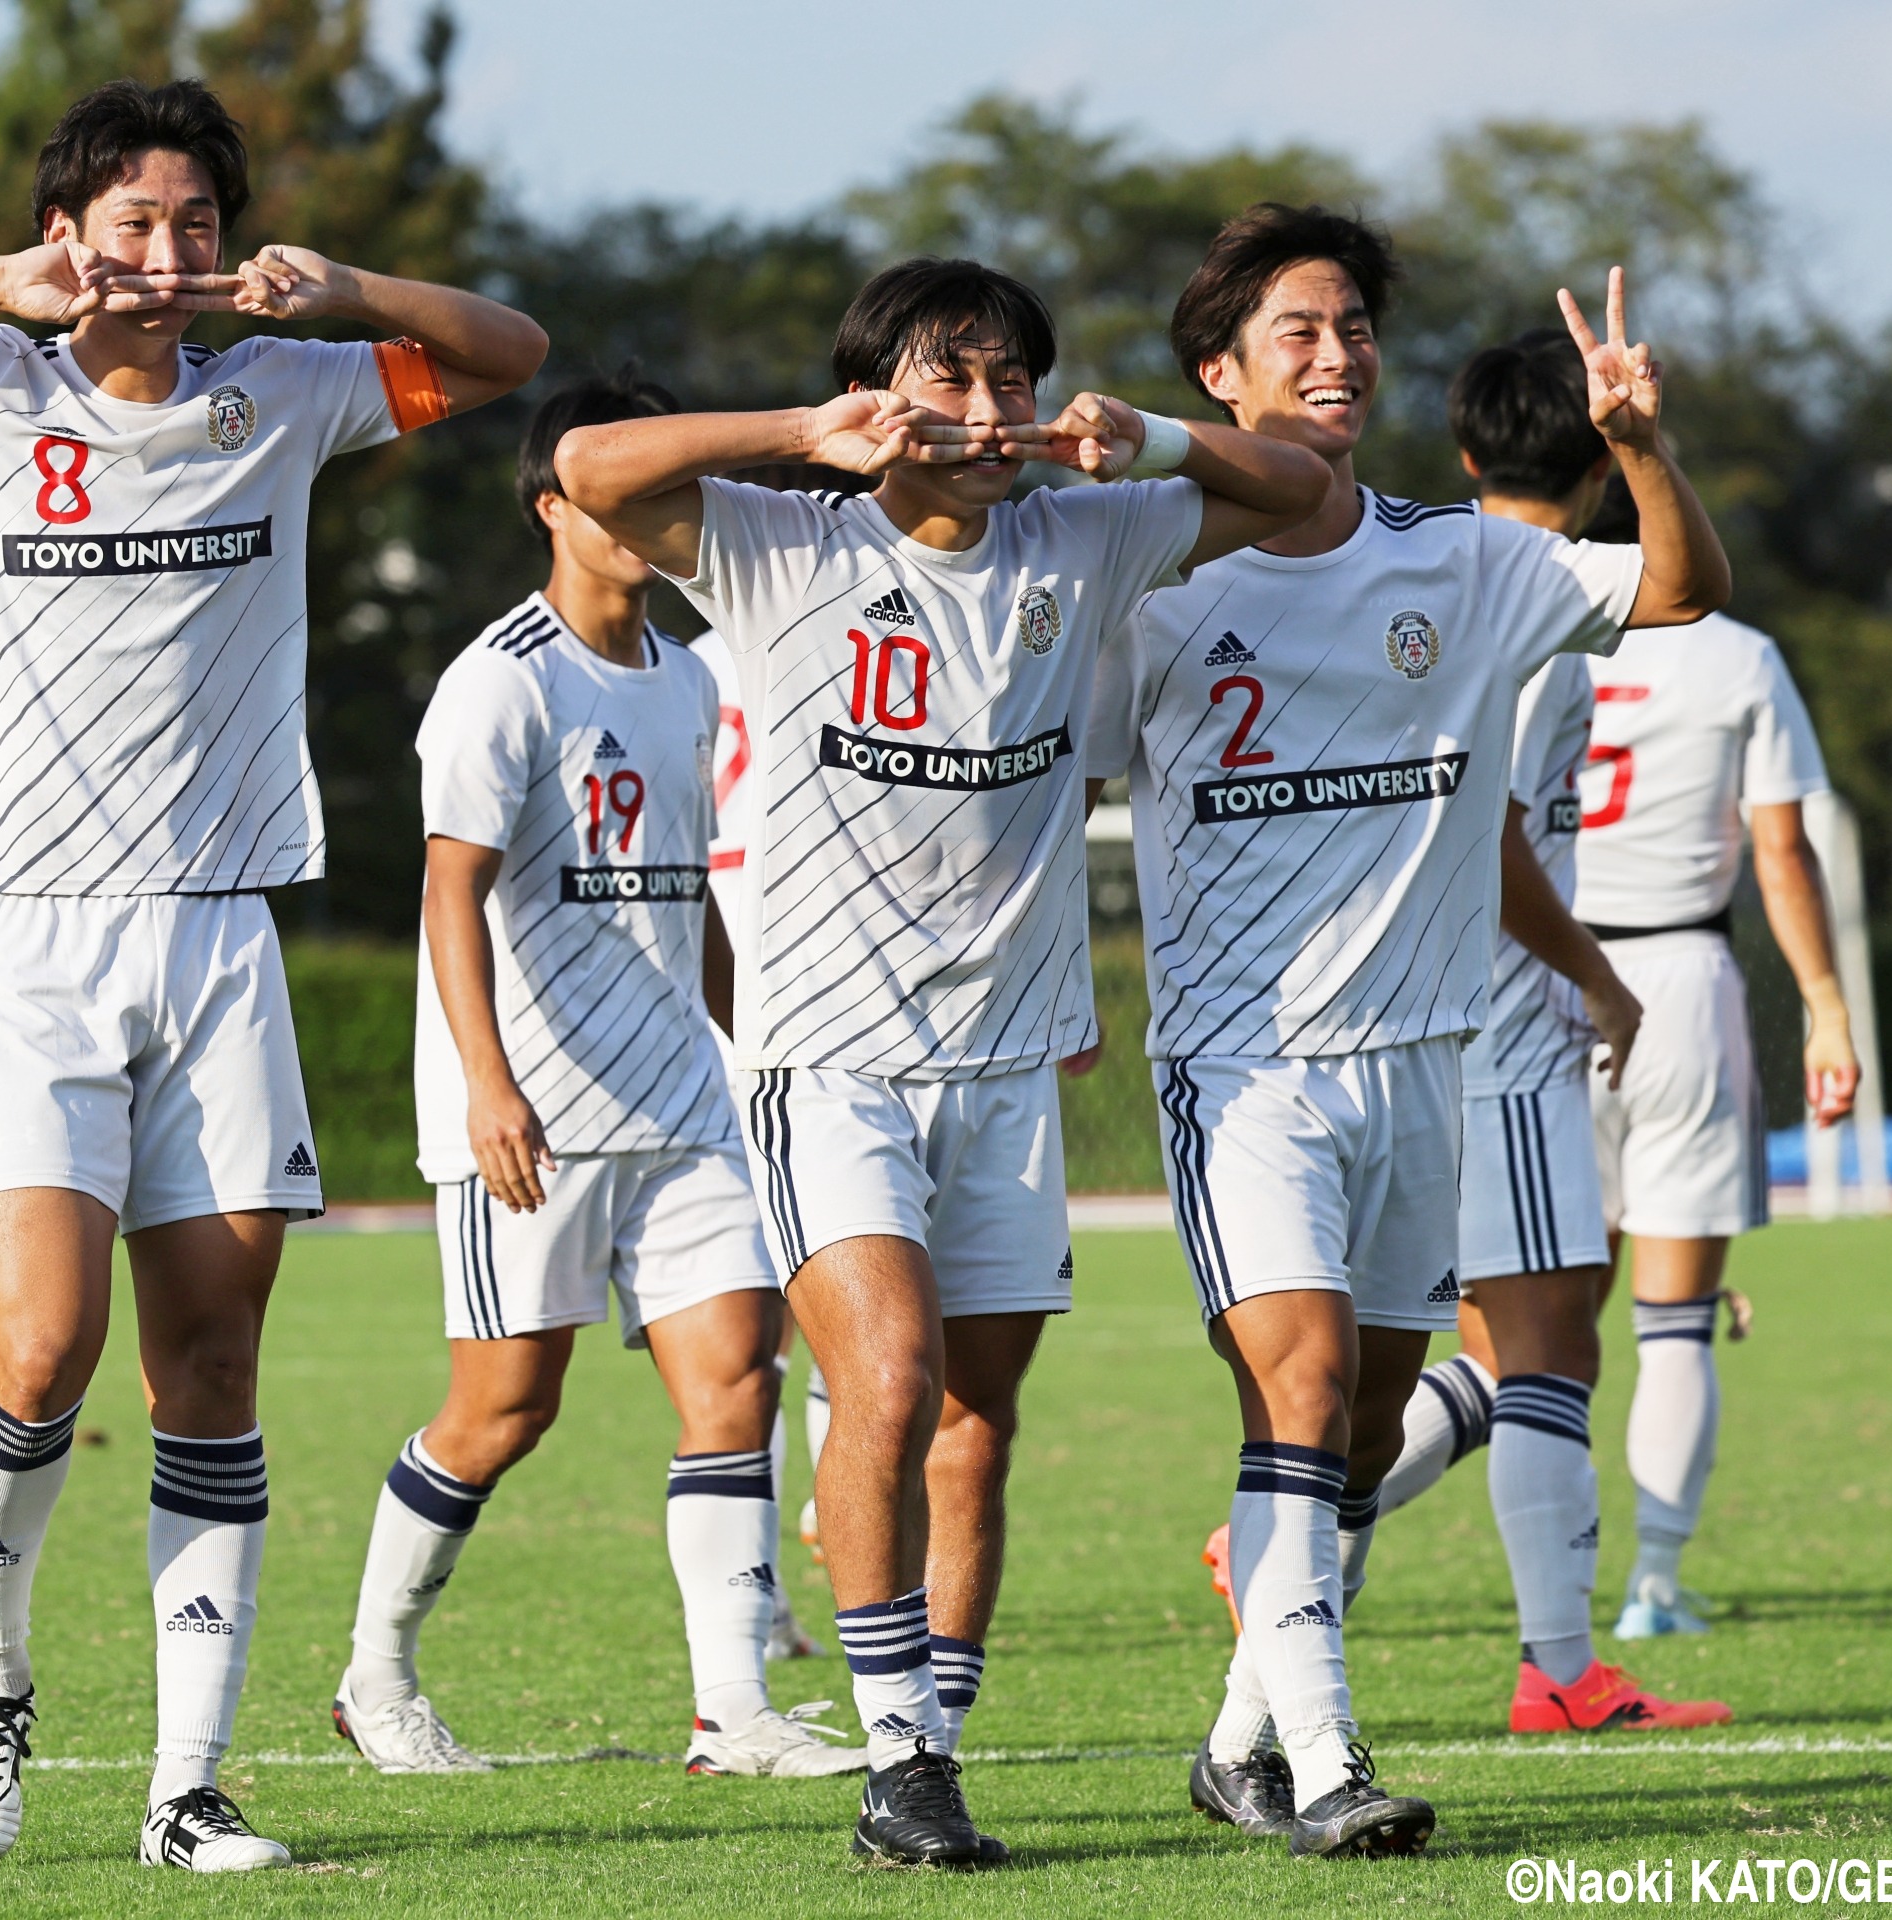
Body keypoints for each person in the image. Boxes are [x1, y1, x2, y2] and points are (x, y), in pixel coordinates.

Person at [0, 77, 544, 1871]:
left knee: (211, 1366)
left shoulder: (291, 391)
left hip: (219, 927)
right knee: (38, 1355)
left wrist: (358, 297)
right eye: (131, 222)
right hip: (26, 934)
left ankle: (189, 1787)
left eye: (193, 222)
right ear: (73, 232)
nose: (163, 253)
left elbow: (507, 350)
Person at [556, 256, 1330, 1867]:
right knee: (887, 1384)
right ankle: (894, 1755)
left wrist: (1163, 442)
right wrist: (799, 431)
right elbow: (587, 470)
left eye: (1011, 383)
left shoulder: (1089, 534)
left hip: (1007, 1068)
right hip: (826, 1060)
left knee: (978, 1421)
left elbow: (1304, 482)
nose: (990, 416)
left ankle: (939, 1747)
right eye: (952, 381)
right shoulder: (781, 544)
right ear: (883, 394)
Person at [1089, 207, 1730, 1855]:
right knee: (1298, 1398)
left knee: (1368, 1427)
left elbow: (1680, 589)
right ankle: (1326, 1761)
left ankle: (1240, 1743)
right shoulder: (1138, 581)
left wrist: (1642, 449)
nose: (1338, 353)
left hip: (1424, 1068)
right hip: (1245, 1073)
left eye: (1355, 326)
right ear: (1218, 374)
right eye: (1299, 329)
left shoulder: (1463, 557)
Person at [333, 375, 860, 1783]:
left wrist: (747, 1056)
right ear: (554, 505)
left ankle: (733, 1712)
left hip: (684, 1106)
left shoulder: (690, 677)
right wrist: (490, 1086)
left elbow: (688, 896)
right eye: (619, 496)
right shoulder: (500, 679)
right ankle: (374, 1674)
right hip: (534, 1122)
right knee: (505, 1410)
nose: (647, 520)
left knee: (735, 1379)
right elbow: (451, 896)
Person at [1362, 330, 1728, 1735]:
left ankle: (1314, 1530)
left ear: (1463, 453)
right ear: (1597, 469)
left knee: (1486, 1344)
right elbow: (1495, 834)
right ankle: (1555, 1668)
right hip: (1500, 1027)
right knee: (1551, 1349)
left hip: (1420, 1013)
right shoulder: (1536, 609)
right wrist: (1602, 978)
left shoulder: (1418, 570)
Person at [1575, 503, 1858, 1642]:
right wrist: (1827, 1011)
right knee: (1674, 1320)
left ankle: (1321, 1527)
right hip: (1680, 979)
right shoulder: (1737, 654)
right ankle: (1652, 1587)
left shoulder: (1520, 626)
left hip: (1536, 978)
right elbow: (1779, 849)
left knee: (1528, 1336)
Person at [694, 612, 828, 1653]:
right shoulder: (808, 638)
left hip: (724, 1015)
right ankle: (800, 1547)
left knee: (773, 1328)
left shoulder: (680, 661)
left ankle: (775, 1582)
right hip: (788, 999)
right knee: (807, 1317)